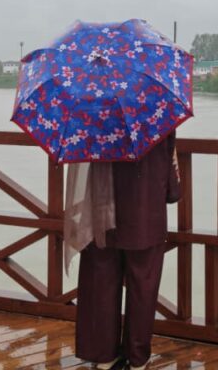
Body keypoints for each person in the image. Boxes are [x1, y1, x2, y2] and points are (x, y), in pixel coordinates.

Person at [68, 133, 180, 370]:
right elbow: (171, 173)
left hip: (102, 206)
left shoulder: (93, 106)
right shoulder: (155, 108)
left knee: (101, 277)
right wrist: (171, 189)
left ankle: (104, 356)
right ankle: (138, 358)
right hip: (144, 206)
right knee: (143, 282)